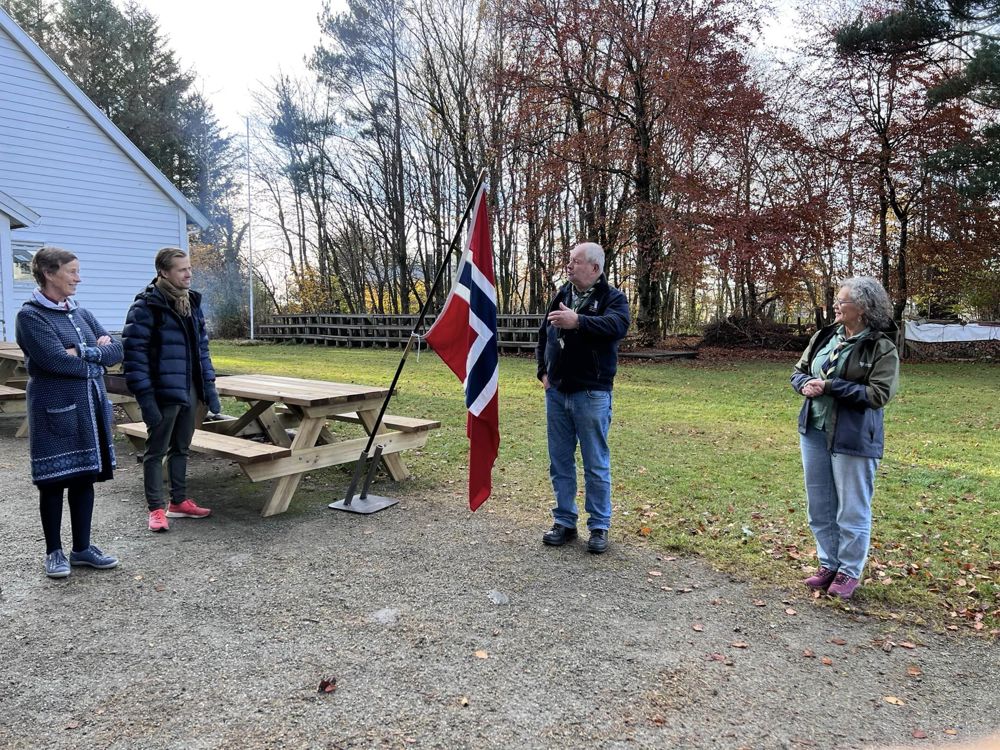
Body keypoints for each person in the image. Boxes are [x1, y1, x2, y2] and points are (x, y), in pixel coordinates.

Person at [15, 247, 122, 578]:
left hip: (88, 408)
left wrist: (85, 352)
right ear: (50, 273)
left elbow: (117, 349)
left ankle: (82, 548)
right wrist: (97, 359)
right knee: (52, 482)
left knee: (83, 477)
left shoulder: (81, 313)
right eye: (72, 271)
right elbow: (54, 361)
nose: (79, 277)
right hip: (53, 409)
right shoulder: (31, 316)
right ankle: (54, 552)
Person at [791, 276, 900, 600]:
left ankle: (849, 571)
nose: (836, 306)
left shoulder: (881, 347)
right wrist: (804, 384)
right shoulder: (825, 336)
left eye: (843, 302)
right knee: (820, 506)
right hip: (814, 430)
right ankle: (829, 564)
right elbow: (798, 370)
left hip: (853, 437)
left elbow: (878, 394)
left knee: (852, 509)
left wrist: (830, 387)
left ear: (863, 308)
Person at [536, 242, 630, 554]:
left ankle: (599, 526)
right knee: (560, 461)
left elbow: (617, 326)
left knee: (595, 463)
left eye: (576, 261)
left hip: (592, 393)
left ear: (594, 268)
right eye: (570, 260)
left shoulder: (612, 298)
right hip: (557, 393)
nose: (569, 265)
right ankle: (564, 521)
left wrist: (579, 322)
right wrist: (543, 372)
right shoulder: (562, 294)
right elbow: (543, 334)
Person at [122, 247, 221, 533]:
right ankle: (155, 508)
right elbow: (134, 357)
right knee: (155, 451)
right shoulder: (146, 306)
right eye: (181, 269)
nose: (188, 273)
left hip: (189, 388)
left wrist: (208, 388)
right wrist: (146, 399)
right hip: (162, 391)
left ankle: (178, 502)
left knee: (181, 447)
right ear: (164, 272)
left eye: (189, 268)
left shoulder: (192, 302)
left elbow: (202, 349)